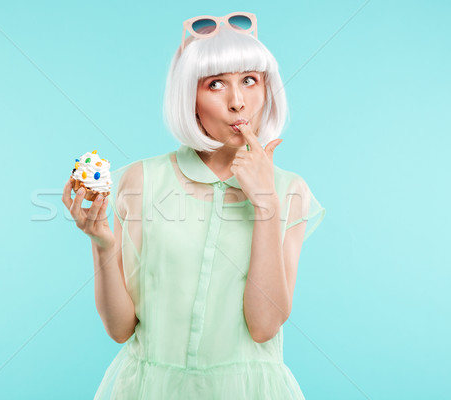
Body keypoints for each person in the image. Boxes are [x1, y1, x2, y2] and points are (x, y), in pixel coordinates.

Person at [63, 11, 326, 399]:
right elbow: (120, 330)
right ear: (190, 98)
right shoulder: (140, 181)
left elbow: (265, 325)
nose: (238, 102)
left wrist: (266, 203)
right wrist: (101, 242)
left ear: (268, 89)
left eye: (249, 80)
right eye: (216, 84)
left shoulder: (290, 191)